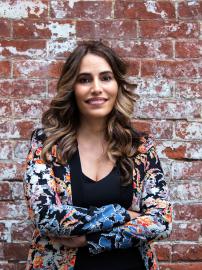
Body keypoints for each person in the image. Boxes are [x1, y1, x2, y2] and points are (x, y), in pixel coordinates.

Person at [23, 41, 172, 270]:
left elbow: (161, 220)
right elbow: (46, 217)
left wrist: (93, 241)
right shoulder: (46, 146)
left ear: (118, 85)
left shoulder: (140, 148)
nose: (96, 88)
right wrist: (122, 214)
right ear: (71, 87)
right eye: (84, 79)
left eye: (105, 77)